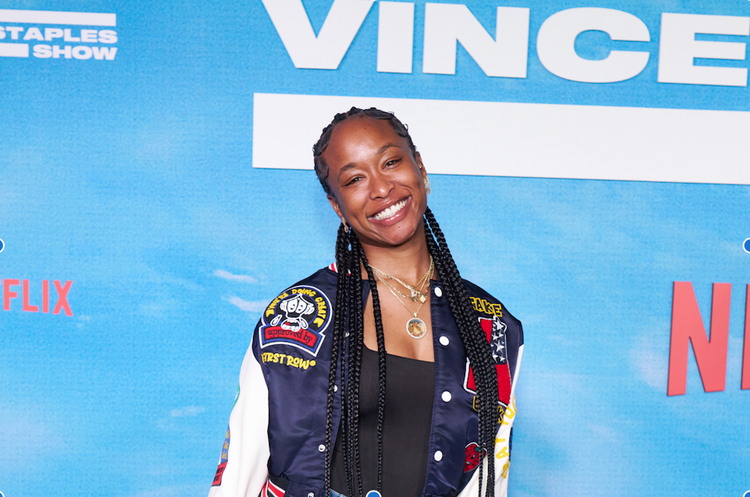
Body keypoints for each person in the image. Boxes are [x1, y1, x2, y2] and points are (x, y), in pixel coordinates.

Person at [208, 107, 523, 497]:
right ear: (336, 206)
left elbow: (489, 479)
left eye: (391, 162)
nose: (381, 188)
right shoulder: (297, 316)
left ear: (421, 169)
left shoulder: (493, 325)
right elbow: (239, 471)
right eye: (355, 179)